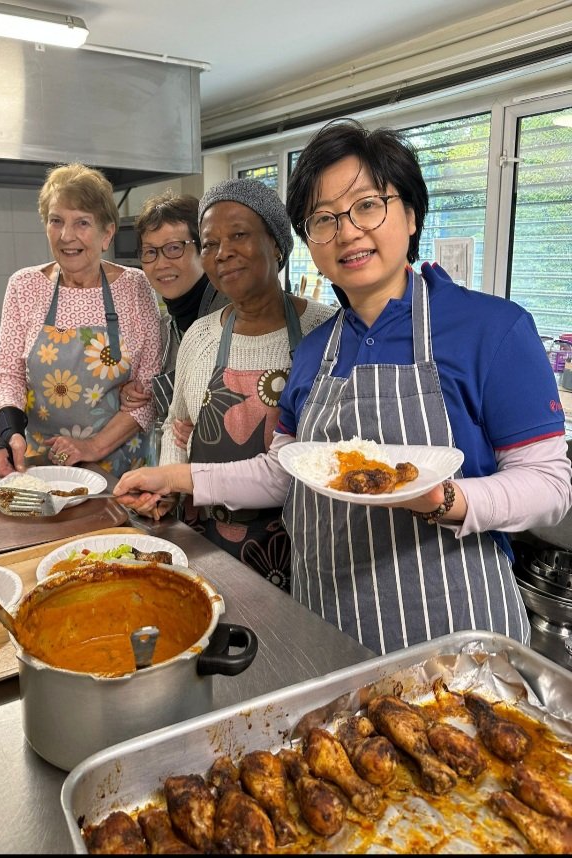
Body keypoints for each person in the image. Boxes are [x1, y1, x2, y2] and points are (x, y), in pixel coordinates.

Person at [115, 119, 572, 655]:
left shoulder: (491, 329)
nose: (348, 232)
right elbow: (280, 474)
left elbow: (550, 486)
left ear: (411, 213)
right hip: (325, 621)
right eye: (324, 219)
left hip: (452, 631)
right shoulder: (313, 351)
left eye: (367, 206)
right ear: (309, 240)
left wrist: (442, 498)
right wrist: (168, 476)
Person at [119, 178, 336, 591]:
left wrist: (175, 476)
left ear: (276, 244)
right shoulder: (200, 337)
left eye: (238, 235)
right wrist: (166, 486)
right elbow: (176, 427)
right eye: (209, 243)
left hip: (301, 551)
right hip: (209, 544)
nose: (223, 253)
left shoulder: (325, 331)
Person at [0, 163, 162, 479]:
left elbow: (149, 389)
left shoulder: (135, 287)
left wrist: (93, 446)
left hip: (123, 469)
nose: (67, 236)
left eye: (82, 222)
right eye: (56, 221)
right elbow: (7, 376)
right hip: (45, 465)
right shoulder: (25, 286)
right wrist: (9, 432)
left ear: (107, 233)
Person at [119, 190, 229, 462]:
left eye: (174, 248)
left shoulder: (231, 317)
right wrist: (137, 393)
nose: (161, 264)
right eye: (150, 252)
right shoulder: (167, 329)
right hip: (184, 479)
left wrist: (212, 431)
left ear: (203, 248)